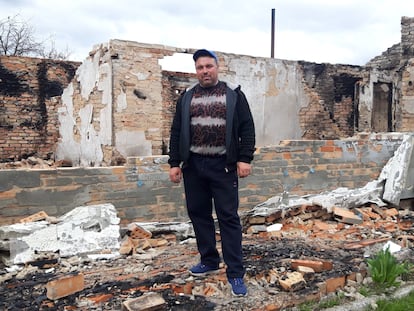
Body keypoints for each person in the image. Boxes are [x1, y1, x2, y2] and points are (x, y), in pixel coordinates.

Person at [168, 49, 256, 297]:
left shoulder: (234, 95)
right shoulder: (186, 98)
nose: (205, 71)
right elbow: (176, 131)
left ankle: (236, 273)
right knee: (199, 214)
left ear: (217, 67)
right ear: (195, 71)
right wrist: (174, 163)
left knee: (228, 218)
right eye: (200, 67)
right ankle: (209, 259)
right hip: (194, 166)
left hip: (223, 166)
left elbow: (247, 129)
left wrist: (244, 158)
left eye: (209, 66)